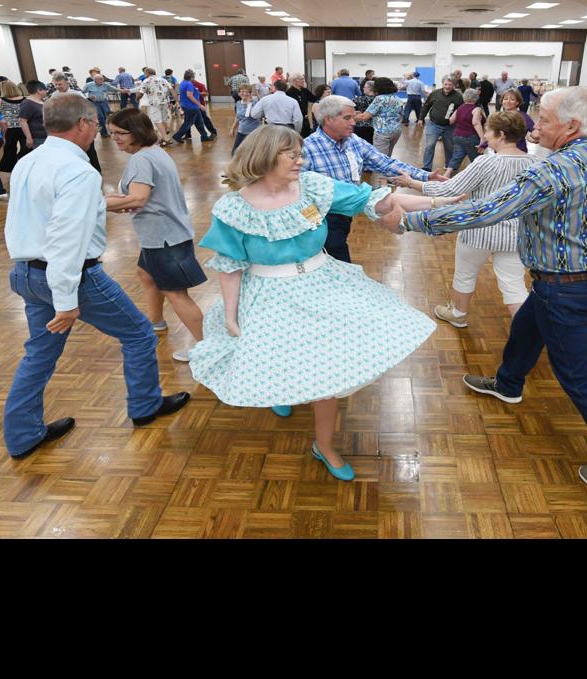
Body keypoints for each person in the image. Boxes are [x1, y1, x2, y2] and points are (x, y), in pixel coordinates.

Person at [392, 86, 587, 498]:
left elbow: (486, 211)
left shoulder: (550, 171)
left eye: (547, 118)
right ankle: (508, 383)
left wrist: (409, 224)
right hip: (585, 280)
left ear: (571, 126)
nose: (537, 124)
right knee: (526, 327)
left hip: (564, 286)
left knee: (580, 377)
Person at [188, 126, 443, 481]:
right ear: (264, 156)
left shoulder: (311, 186)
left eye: (300, 153)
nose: (300, 160)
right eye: (291, 154)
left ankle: (323, 445)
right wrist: (231, 315)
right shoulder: (234, 208)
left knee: (325, 374)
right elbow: (230, 266)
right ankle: (282, 390)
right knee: (281, 360)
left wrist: (420, 201)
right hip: (268, 294)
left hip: (322, 283)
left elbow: (365, 199)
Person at [3, 93, 190, 458]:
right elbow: (66, 238)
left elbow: (29, 220)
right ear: (84, 124)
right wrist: (66, 299)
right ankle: (145, 406)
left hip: (26, 272)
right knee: (138, 334)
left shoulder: (30, 160)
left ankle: (23, 435)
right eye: (95, 125)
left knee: (38, 355)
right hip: (71, 278)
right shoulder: (77, 170)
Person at [104, 108, 207, 362]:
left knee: (176, 293)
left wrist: (94, 204)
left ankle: (209, 349)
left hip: (164, 236)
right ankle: (156, 322)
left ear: (137, 132)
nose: (115, 138)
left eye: (120, 133)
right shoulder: (153, 153)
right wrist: (120, 201)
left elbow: (139, 198)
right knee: (146, 274)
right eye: (111, 133)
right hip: (163, 233)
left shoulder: (141, 160)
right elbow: (143, 197)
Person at [424, 110, 537, 329]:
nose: (484, 136)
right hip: (516, 234)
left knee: (465, 274)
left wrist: (413, 183)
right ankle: (527, 333)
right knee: (514, 283)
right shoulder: (535, 163)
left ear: (501, 135)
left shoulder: (485, 162)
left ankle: (458, 314)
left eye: (488, 132)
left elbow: (450, 190)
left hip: (478, 231)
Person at [302, 94, 432, 263]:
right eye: (347, 118)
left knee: (332, 258)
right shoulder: (308, 148)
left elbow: (384, 163)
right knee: (338, 260)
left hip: (345, 215)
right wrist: (314, 223)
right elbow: (295, 193)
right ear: (328, 120)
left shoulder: (353, 141)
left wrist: (426, 176)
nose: (354, 122)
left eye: (353, 117)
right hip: (324, 217)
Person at [49, 75, 105, 173]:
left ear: (67, 83)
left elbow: (87, 108)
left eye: (60, 84)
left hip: (81, 125)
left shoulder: (77, 94)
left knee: (89, 149)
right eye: (56, 84)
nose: (58, 86)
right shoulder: (54, 95)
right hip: (66, 126)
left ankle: (96, 170)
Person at [418, 76, 464, 171]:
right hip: (433, 124)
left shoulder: (458, 97)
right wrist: (421, 118)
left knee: (450, 147)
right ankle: (427, 167)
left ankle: (449, 166)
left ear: (454, 86)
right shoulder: (435, 93)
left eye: (450, 85)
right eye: (445, 84)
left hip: (450, 126)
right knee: (429, 146)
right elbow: (426, 106)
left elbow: (461, 111)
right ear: (442, 84)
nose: (447, 86)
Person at [0, 80, 32, 173]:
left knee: (9, 150)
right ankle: (25, 167)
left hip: (9, 129)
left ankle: (11, 170)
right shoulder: (27, 99)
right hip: (25, 127)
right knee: (27, 149)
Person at [365, 76, 407, 158]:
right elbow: (402, 114)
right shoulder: (397, 98)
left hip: (383, 132)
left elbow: (365, 116)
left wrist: (351, 117)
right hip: (396, 131)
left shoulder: (379, 99)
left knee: (380, 159)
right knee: (387, 157)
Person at [446, 87, 486, 172]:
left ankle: (446, 175)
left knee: (456, 156)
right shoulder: (477, 109)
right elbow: (475, 123)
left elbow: (451, 121)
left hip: (457, 136)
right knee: (476, 159)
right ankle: (476, 177)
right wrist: (482, 138)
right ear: (476, 97)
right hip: (471, 137)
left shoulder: (460, 108)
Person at [170, 69, 216, 143]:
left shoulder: (182, 83)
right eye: (193, 77)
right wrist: (200, 105)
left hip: (187, 105)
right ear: (191, 77)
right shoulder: (189, 84)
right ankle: (177, 136)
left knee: (199, 122)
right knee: (188, 123)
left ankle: (204, 136)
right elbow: (189, 95)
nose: (194, 79)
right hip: (191, 107)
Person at [82, 72, 119, 137]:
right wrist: (88, 97)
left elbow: (114, 89)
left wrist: (124, 90)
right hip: (94, 103)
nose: (102, 80)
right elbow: (82, 93)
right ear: (95, 80)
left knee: (105, 117)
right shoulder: (89, 85)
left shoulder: (105, 84)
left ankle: (104, 130)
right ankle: (104, 133)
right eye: (100, 79)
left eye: (102, 79)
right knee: (100, 117)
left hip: (104, 102)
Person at [18, 79, 49, 154]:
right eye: (45, 90)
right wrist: (29, 138)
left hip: (47, 135)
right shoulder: (28, 103)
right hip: (38, 137)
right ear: (39, 90)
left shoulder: (42, 101)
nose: (47, 92)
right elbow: (22, 121)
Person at [230, 84, 261, 153]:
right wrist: (232, 128)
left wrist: (249, 104)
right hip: (241, 131)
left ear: (250, 93)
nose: (244, 93)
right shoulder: (238, 103)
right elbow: (237, 117)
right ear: (238, 93)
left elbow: (254, 116)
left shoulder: (255, 103)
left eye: (247, 92)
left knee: (251, 153)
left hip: (253, 132)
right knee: (235, 152)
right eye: (242, 91)